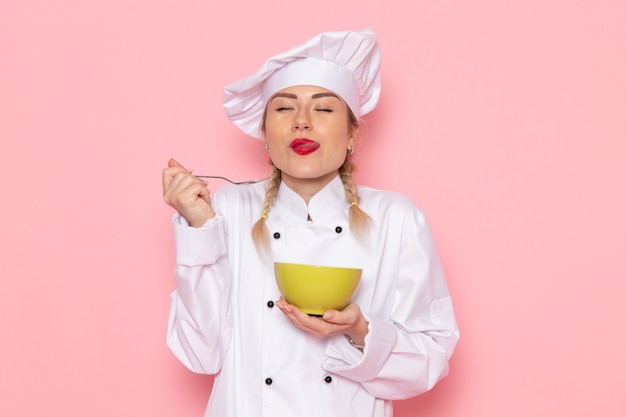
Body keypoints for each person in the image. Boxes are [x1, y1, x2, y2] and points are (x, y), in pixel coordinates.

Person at [162, 28, 459, 417]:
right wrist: (200, 229)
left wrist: (359, 332)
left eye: (323, 108)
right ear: (265, 134)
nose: (302, 122)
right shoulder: (228, 210)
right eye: (284, 108)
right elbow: (200, 355)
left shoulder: (396, 219)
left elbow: (431, 359)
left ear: (352, 133)